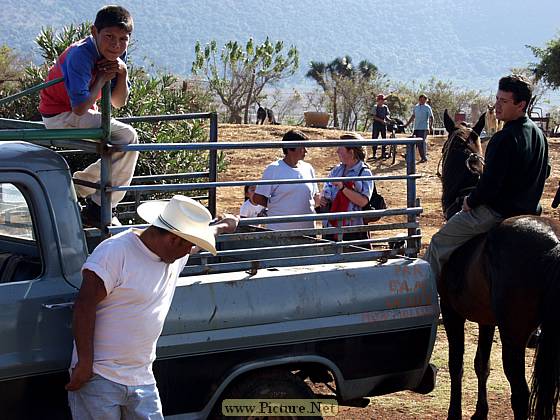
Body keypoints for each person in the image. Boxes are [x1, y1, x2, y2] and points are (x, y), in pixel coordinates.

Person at [66, 195, 238, 419]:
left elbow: (201, 239)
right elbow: (84, 306)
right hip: (100, 375)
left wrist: (225, 225)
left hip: (142, 376)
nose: (190, 251)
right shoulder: (115, 253)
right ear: (174, 240)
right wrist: (85, 364)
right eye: (188, 245)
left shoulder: (175, 253)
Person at [424, 74, 549, 281]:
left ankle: (423, 300)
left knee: (437, 243)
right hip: (531, 211)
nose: (497, 106)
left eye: (504, 101)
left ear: (521, 105)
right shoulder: (539, 135)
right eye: (497, 99)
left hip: (497, 213)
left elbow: (490, 185)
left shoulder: (503, 138)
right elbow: (545, 172)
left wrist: (470, 201)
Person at [38, 5, 139, 228]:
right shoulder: (80, 55)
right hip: (60, 115)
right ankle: (97, 204)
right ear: (94, 32)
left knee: (123, 142)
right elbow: (80, 108)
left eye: (123, 39)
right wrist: (102, 80)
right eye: (109, 37)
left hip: (78, 112)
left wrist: (122, 74)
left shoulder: (112, 56)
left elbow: (117, 102)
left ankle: (79, 188)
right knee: (128, 138)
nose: (116, 45)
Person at [252, 129, 320, 230]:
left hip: (307, 229)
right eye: (302, 147)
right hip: (280, 229)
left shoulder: (308, 168)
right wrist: (278, 206)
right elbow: (257, 197)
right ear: (290, 149)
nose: (306, 151)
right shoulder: (273, 169)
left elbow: (315, 196)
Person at [320, 133, 373, 241]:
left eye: (340, 148)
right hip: (331, 227)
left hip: (352, 230)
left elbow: (363, 201)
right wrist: (322, 199)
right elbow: (326, 191)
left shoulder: (364, 172)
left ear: (351, 152)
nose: (337, 151)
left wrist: (343, 188)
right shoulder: (336, 170)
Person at [404, 94, 434, 163]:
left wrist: (430, 126)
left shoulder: (427, 107)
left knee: (421, 143)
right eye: (421, 99)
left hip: (424, 128)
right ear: (419, 99)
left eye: (424, 100)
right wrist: (407, 124)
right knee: (413, 142)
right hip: (416, 128)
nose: (422, 101)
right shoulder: (416, 107)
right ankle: (408, 156)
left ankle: (423, 157)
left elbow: (431, 117)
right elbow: (413, 116)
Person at [371, 94, 391, 159]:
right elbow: (374, 116)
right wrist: (381, 120)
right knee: (375, 138)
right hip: (376, 124)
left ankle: (383, 153)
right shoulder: (375, 107)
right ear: (378, 100)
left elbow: (387, 115)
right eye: (381, 100)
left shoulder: (385, 107)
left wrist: (389, 119)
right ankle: (374, 153)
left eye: (383, 100)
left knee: (384, 138)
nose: (382, 101)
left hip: (383, 125)